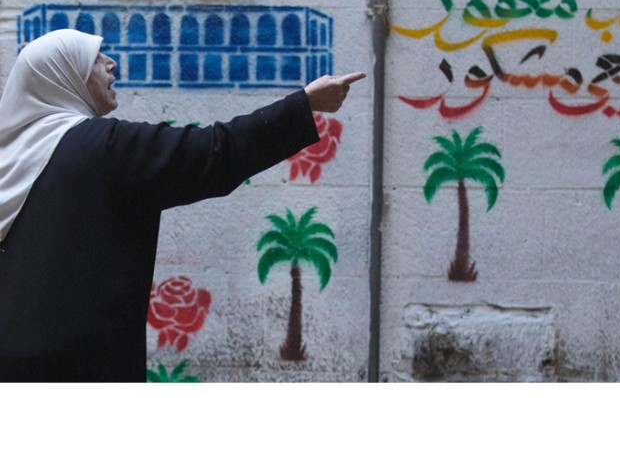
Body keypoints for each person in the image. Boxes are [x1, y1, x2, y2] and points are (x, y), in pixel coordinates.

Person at [0, 28, 366, 381]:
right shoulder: (103, 147)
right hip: (80, 368)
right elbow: (214, 152)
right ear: (62, 76)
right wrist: (305, 103)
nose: (111, 63)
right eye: (94, 59)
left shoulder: (11, 161)